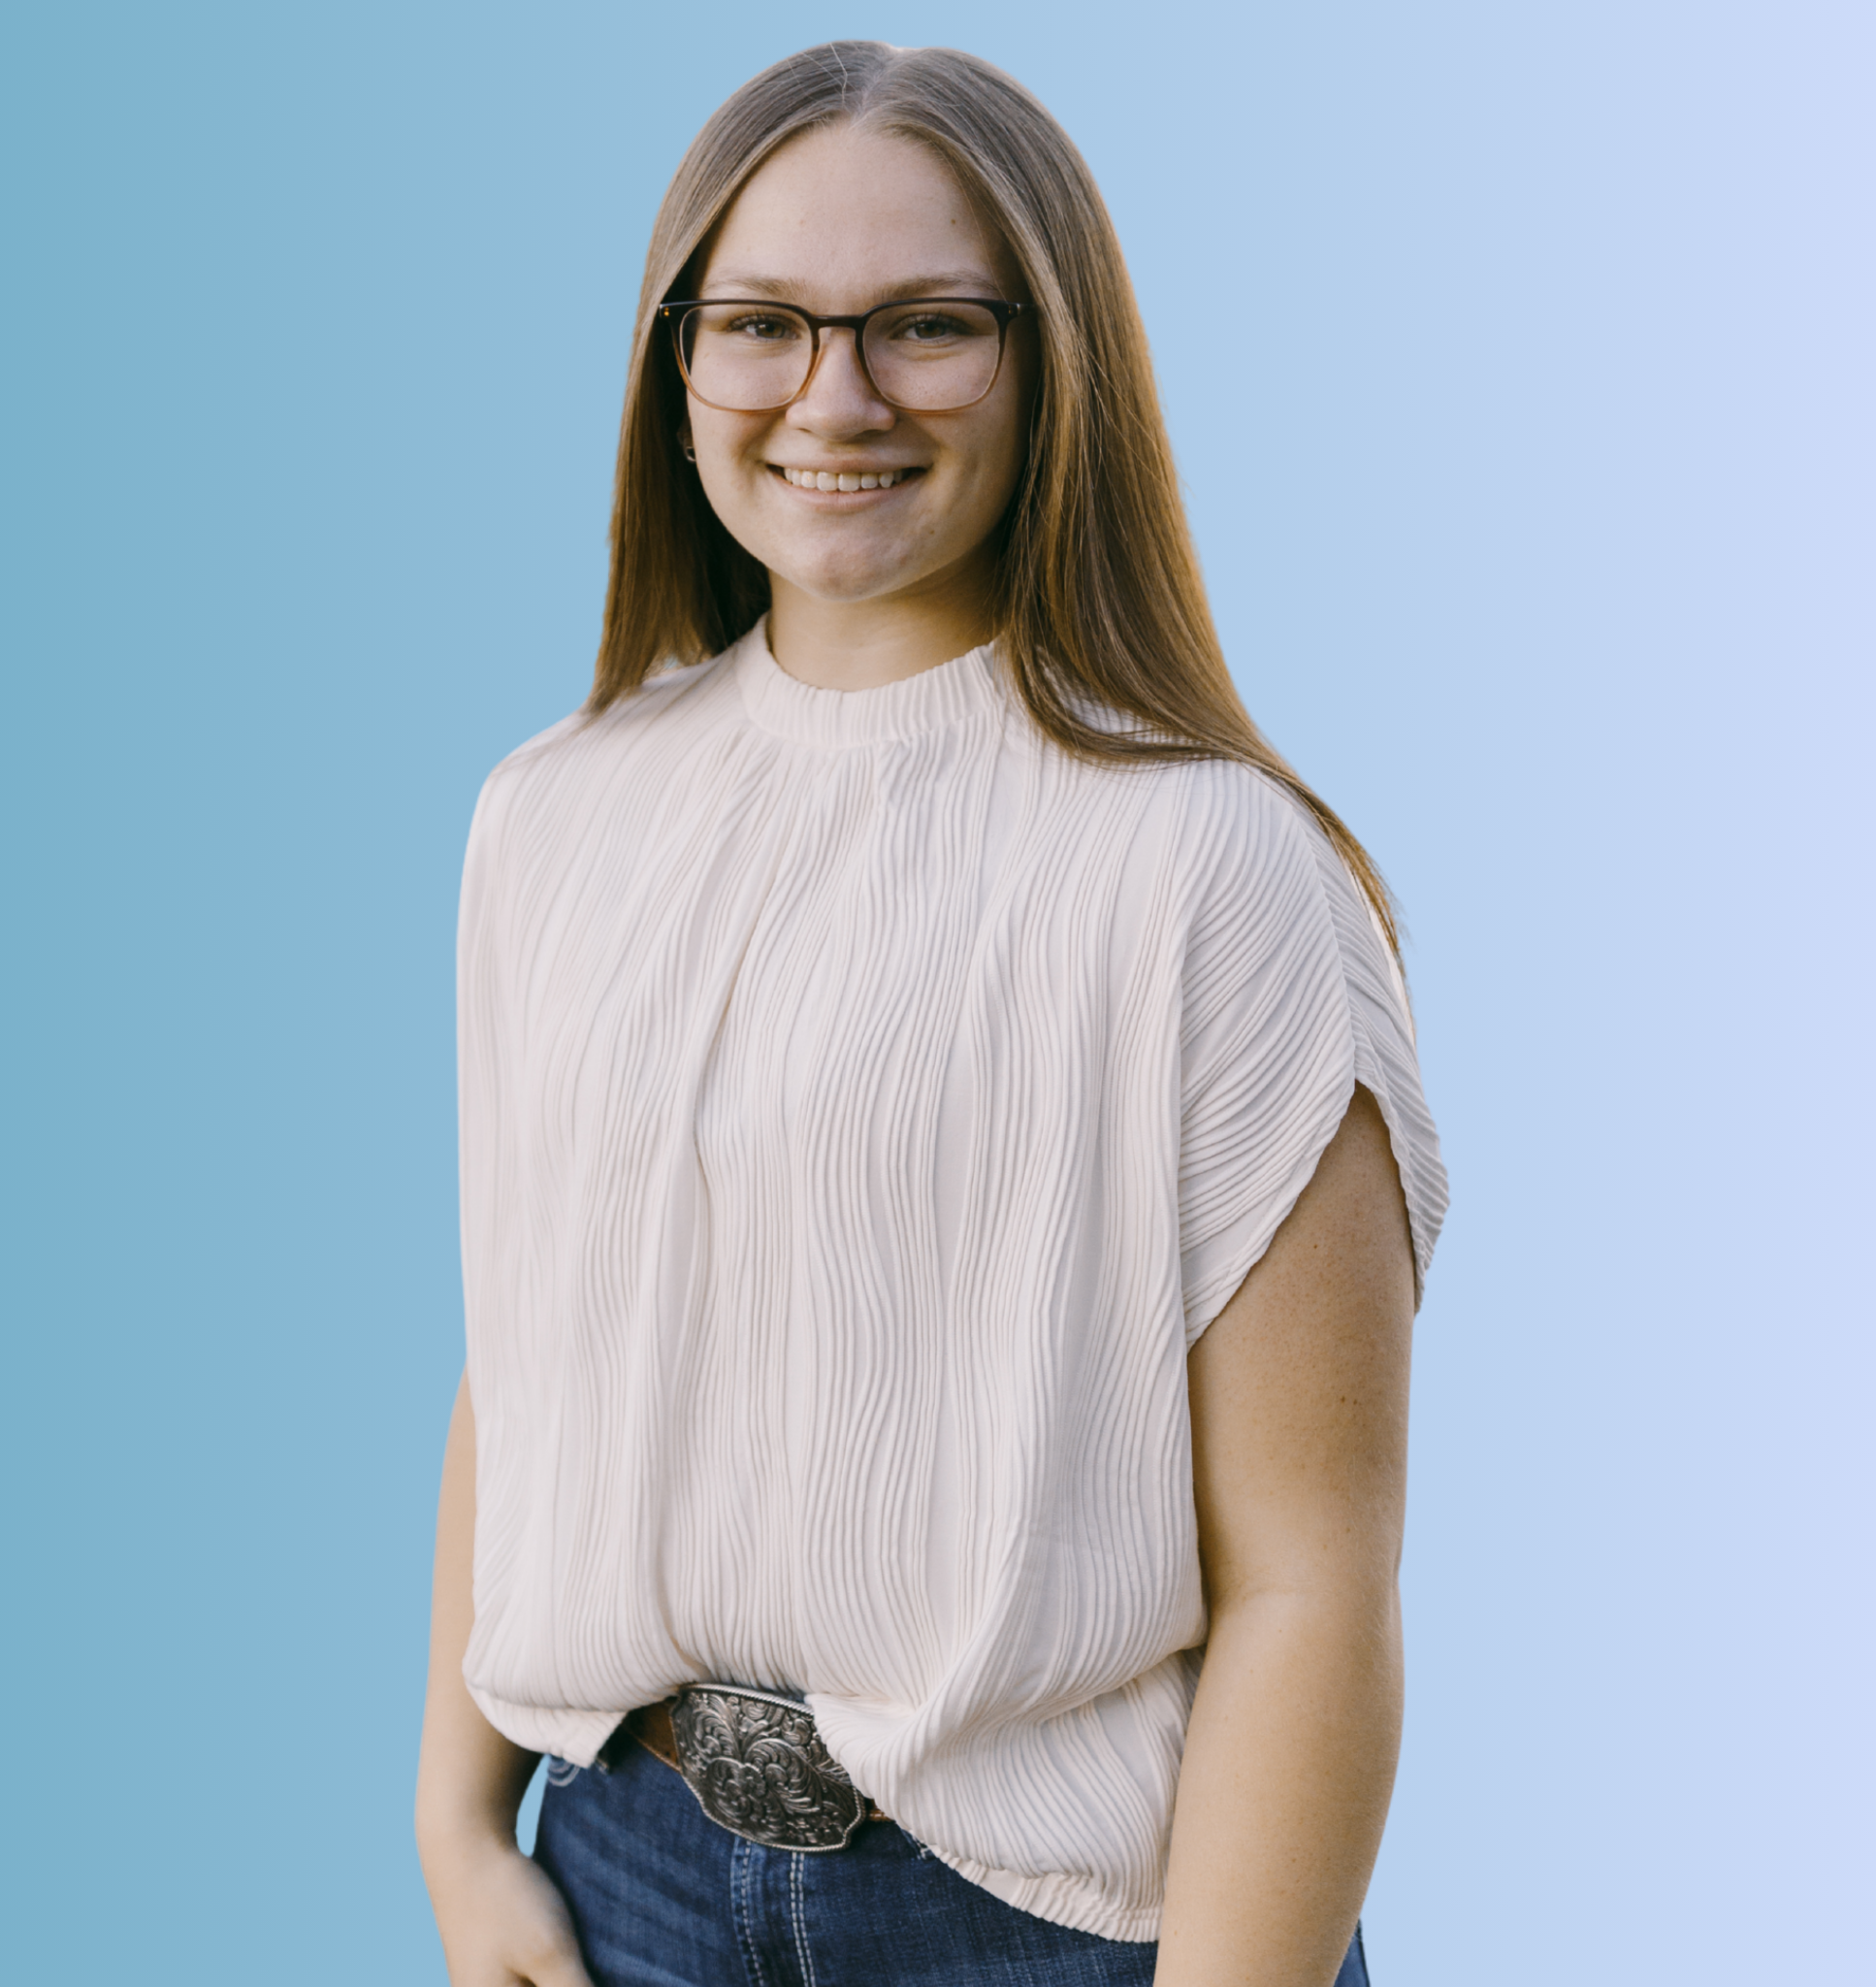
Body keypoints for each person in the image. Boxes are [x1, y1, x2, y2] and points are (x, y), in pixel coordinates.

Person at [415, 39, 1446, 1987]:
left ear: (1052, 363)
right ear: (677, 362)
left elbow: (1315, 1583)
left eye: (925, 327)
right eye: (765, 325)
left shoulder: (1213, 868)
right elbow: (526, 1357)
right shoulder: (546, 815)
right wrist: (457, 1829)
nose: (835, 396)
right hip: (618, 1875)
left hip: (1068, 1927)